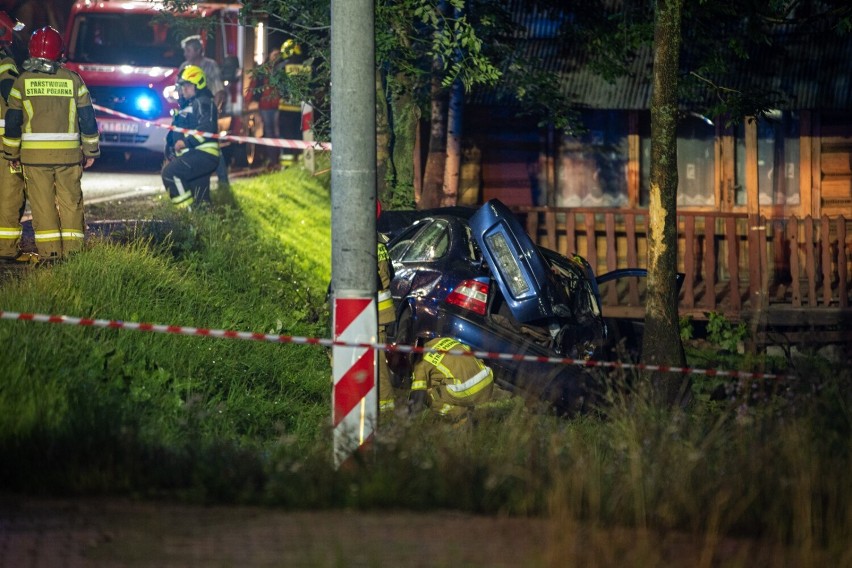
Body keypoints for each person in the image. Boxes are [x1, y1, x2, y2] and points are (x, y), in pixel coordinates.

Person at [2, 25, 99, 263]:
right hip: (68, 158)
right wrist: (90, 150)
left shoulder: (22, 82)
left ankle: (50, 255)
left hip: (34, 160)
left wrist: (11, 152)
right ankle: (74, 254)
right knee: (71, 203)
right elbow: (87, 118)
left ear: (32, 51)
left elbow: (13, 123)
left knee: (42, 205)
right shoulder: (73, 80)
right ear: (60, 51)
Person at [162, 65, 219, 209]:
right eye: (182, 86)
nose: (184, 89)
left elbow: (206, 128)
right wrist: (170, 148)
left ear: (198, 85)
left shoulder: (203, 102)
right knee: (200, 198)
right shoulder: (189, 105)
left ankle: (187, 216)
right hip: (196, 154)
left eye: (188, 85)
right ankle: (202, 225)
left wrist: (185, 142)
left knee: (170, 174)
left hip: (203, 154)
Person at [179, 35, 229, 187]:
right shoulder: (183, 67)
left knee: (212, 145)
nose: (185, 54)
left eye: (188, 50)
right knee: (188, 145)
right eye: (185, 51)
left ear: (198, 50)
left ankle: (223, 182)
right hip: (189, 114)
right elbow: (179, 92)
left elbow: (219, 90)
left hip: (206, 112)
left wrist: (213, 111)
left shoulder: (210, 66)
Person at [408, 337, 497, 420]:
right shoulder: (441, 340)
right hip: (487, 379)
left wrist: (406, 418)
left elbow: (416, 404)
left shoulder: (420, 366)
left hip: (470, 390)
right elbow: (466, 348)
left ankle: (461, 415)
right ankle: (469, 406)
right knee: (440, 377)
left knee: (428, 394)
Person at [0, 11, 28, 263]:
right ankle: (6, 249)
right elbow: (14, 105)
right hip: (2, 143)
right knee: (10, 195)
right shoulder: (6, 65)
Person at [375, 200, 397, 412]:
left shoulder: (366, 244)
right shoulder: (380, 242)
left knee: (377, 364)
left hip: (375, 315)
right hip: (382, 313)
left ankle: (386, 409)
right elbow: (390, 273)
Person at [245, 49, 281, 165]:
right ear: (269, 56)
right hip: (265, 106)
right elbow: (253, 85)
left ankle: (279, 157)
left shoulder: (282, 69)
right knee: (269, 132)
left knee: (277, 131)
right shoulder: (262, 71)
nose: (276, 57)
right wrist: (247, 101)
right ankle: (273, 159)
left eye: (278, 55)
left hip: (279, 106)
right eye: (274, 54)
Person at [275, 39, 306, 168]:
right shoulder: (306, 67)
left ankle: (287, 166)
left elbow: (276, 85)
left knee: (286, 138)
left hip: (286, 110)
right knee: (299, 136)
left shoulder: (282, 68)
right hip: (302, 110)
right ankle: (301, 164)